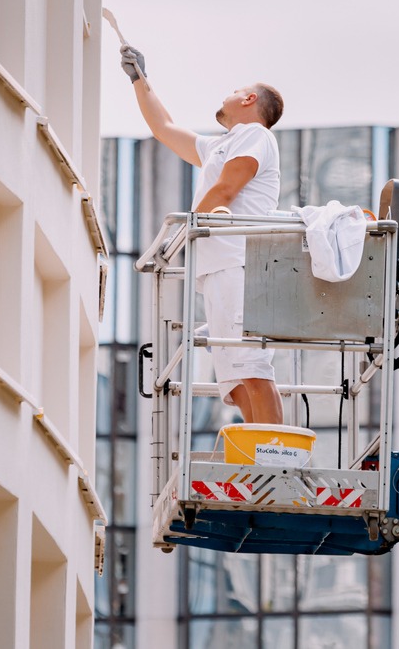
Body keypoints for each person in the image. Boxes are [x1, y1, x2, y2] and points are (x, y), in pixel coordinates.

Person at [121, 43, 286, 424]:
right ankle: (260, 452)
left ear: (249, 99)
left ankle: (277, 457)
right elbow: (164, 129)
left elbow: (226, 190)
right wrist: (140, 81)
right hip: (219, 267)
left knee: (252, 366)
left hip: (239, 262)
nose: (226, 93)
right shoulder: (223, 145)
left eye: (235, 88)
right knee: (236, 378)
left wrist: (183, 235)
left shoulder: (255, 135)